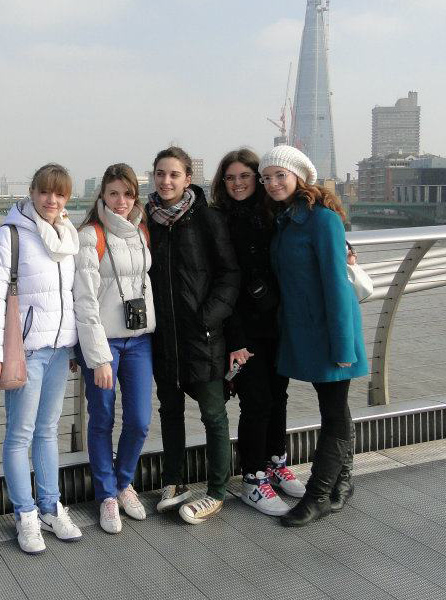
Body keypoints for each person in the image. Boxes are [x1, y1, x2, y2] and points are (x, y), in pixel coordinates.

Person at [260, 145, 368, 527]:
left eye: (280, 175)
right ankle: (342, 483)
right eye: (267, 177)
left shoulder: (323, 220)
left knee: (334, 412)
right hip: (304, 330)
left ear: (299, 177)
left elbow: (337, 286)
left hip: (331, 332)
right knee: (336, 407)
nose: (272, 183)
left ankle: (318, 495)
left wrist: (343, 347)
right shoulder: (287, 220)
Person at [0, 163, 83, 554]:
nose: (51, 200)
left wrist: (73, 345)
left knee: (48, 431)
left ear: (67, 198)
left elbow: (70, 298)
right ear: (33, 193)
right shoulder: (10, 236)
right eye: (44, 192)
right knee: (19, 435)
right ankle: (24, 514)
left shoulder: (68, 236)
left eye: (59, 194)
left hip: (58, 350)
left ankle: (50, 506)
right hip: (24, 352)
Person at [146, 146, 240, 525]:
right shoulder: (145, 220)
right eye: (159, 174)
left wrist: (207, 319)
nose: (165, 181)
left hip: (202, 335)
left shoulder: (207, 219)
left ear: (188, 178)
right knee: (169, 410)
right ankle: (174, 481)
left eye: (173, 174)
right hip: (162, 336)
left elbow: (229, 275)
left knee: (213, 414)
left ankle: (217, 490)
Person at [211, 149, 305, 517]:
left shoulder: (274, 213)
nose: (237, 184)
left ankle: (275, 462)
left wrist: (343, 249)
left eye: (245, 177)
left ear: (258, 179)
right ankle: (252, 478)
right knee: (256, 400)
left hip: (277, 322)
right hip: (241, 328)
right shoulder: (218, 220)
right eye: (230, 177)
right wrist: (233, 340)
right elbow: (219, 281)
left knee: (278, 395)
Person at [73, 163, 154, 534]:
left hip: (139, 341)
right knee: (102, 419)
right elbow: (85, 301)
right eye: (114, 193)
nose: (121, 201)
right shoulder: (91, 236)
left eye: (128, 194)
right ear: (102, 196)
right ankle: (106, 494)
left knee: (138, 419)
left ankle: (124, 484)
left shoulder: (141, 232)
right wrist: (97, 356)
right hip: (104, 343)